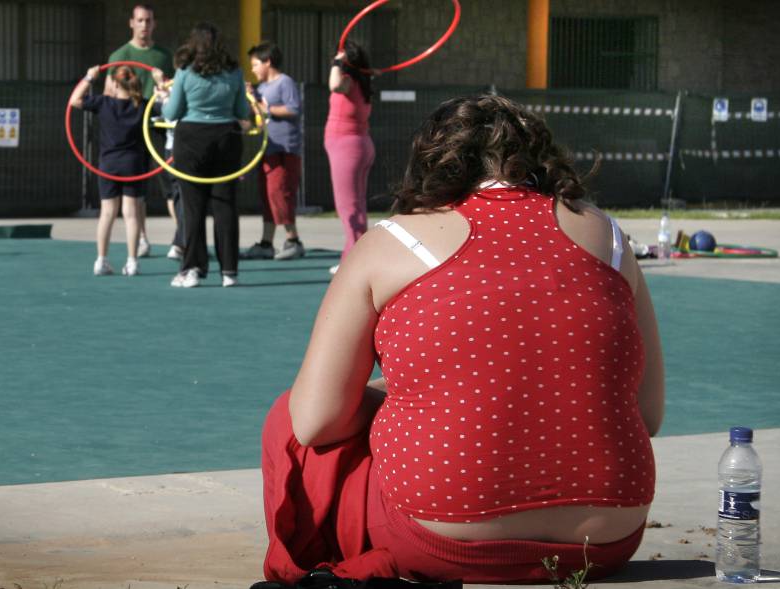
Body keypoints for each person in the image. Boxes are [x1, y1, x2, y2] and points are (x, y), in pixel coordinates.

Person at [260, 94, 665, 584]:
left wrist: (394, 396)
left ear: (431, 163)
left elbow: (315, 421)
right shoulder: (609, 236)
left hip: (444, 540)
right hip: (605, 540)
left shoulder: (393, 241)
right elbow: (646, 413)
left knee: (288, 415)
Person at [162, 22, 252, 288]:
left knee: (193, 208)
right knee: (225, 205)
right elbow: (242, 111)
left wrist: (166, 98)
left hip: (191, 140)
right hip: (226, 139)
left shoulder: (185, 72)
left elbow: (172, 113)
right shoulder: (234, 72)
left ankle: (192, 269)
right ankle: (229, 271)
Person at [72, 64, 167, 276]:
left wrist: (89, 77)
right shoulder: (143, 104)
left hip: (109, 165)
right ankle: (132, 262)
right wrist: (161, 83)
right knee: (131, 214)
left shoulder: (104, 103)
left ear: (114, 83)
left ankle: (101, 260)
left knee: (107, 213)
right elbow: (170, 109)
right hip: (134, 165)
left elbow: (74, 101)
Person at [107, 3, 179, 260]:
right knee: (135, 190)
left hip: (159, 126)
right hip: (132, 130)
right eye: (140, 20)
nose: (144, 25)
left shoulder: (163, 55)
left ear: (154, 23)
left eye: (148, 20)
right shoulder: (119, 55)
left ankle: (180, 240)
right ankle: (141, 239)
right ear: (131, 23)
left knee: (172, 185)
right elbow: (108, 94)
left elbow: (173, 90)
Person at [243, 41, 305, 261]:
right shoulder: (260, 89)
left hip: (285, 149)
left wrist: (264, 105)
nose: (253, 69)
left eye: (255, 64)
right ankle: (266, 243)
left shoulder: (284, 82)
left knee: (280, 194)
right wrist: (251, 98)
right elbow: (257, 116)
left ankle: (293, 240)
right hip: (267, 150)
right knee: (267, 195)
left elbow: (293, 109)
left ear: (268, 62)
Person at [324, 40, 375, 275]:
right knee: (356, 207)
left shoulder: (346, 81)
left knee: (348, 208)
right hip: (360, 146)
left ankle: (354, 263)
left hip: (347, 149)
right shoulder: (364, 82)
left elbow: (334, 84)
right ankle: (355, 257)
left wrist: (337, 62)